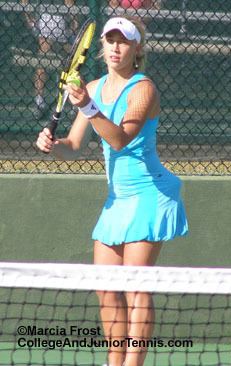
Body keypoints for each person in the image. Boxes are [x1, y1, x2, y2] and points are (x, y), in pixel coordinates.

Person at [36, 16, 188, 366]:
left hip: (150, 195)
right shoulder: (93, 86)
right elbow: (74, 147)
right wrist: (52, 144)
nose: (116, 47)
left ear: (137, 48)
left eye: (124, 41)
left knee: (136, 287)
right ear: (102, 46)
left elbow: (119, 139)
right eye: (110, 40)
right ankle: (113, 362)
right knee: (106, 287)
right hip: (117, 201)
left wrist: (86, 106)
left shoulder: (144, 89)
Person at [21, 0, 78, 119]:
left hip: (63, 29)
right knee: (43, 63)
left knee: (69, 65)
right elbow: (24, 3)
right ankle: (39, 102)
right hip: (45, 26)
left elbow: (70, 4)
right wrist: (30, 21)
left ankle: (73, 102)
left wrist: (74, 22)